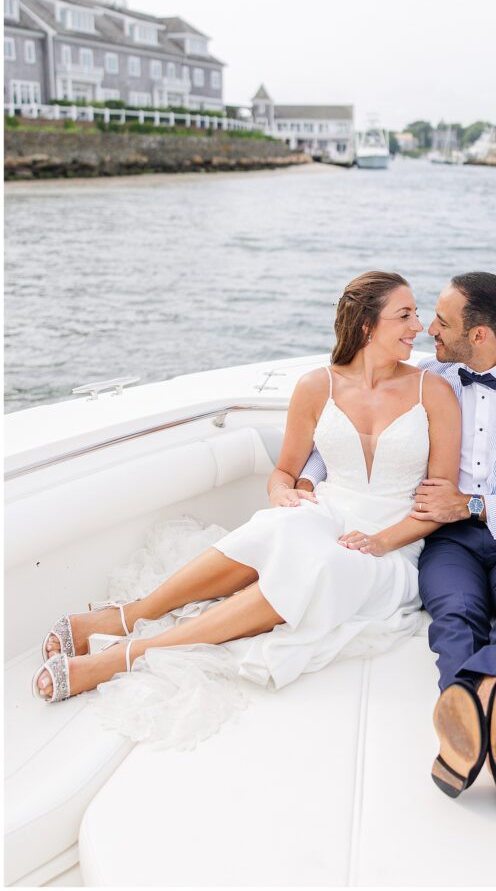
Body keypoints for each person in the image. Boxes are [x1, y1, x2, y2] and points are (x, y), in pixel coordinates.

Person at [34, 271, 460, 738]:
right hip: (329, 510)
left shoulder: (433, 392)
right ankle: (131, 615)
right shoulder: (318, 387)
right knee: (276, 528)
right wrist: (283, 495)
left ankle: (126, 656)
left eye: (417, 315)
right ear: (365, 325)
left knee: (323, 565)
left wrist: (380, 541)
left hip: (394, 541)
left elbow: (438, 504)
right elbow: (284, 472)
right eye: (405, 315)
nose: (417, 326)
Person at [298, 272, 496, 824]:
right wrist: (304, 480)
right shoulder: (427, 376)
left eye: (442, 321)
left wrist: (476, 506)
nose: (427, 329)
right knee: (453, 613)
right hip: (447, 537)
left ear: (479, 335)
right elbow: (344, 427)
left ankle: (472, 730)